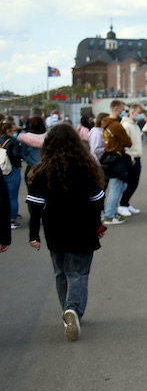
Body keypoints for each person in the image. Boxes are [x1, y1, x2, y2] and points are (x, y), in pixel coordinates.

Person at [26, 123, 109, 341]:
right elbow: (97, 200)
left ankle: (67, 311)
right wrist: (97, 225)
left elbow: (35, 205)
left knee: (61, 272)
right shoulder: (86, 169)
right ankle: (73, 309)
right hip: (82, 228)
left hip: (54, 229)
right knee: (78, 272)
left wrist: (33, 234)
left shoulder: (42, 171)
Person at [100, 100, 132, 226]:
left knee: (115, 187)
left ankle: (111, 212)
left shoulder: (104, 123)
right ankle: (110, 215)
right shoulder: (116, 126)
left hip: (108, 157)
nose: (123, 112)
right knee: (116, 187)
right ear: (116, 109)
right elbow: (128, 142)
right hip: (117, 157)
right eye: (122, 109)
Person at [117, 104, 145, 217]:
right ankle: (122, 204)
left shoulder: (135, 125)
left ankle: (126, 203)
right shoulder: (126, 125)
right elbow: (124, 144)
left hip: (137, 156)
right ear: (133, 112)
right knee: (130, 182)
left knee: (134, 182)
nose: (140, 115)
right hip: (131, 157)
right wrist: (130, 157)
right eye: (139, 112)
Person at [1, 120, 23, 230]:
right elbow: (16, 155)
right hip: (11, 170)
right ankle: (12, 220)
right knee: (12, 197)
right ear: (8, 131)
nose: (15, 132)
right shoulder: (13, 141)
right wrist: (18, 164)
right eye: (14, 130)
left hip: (0, 170)